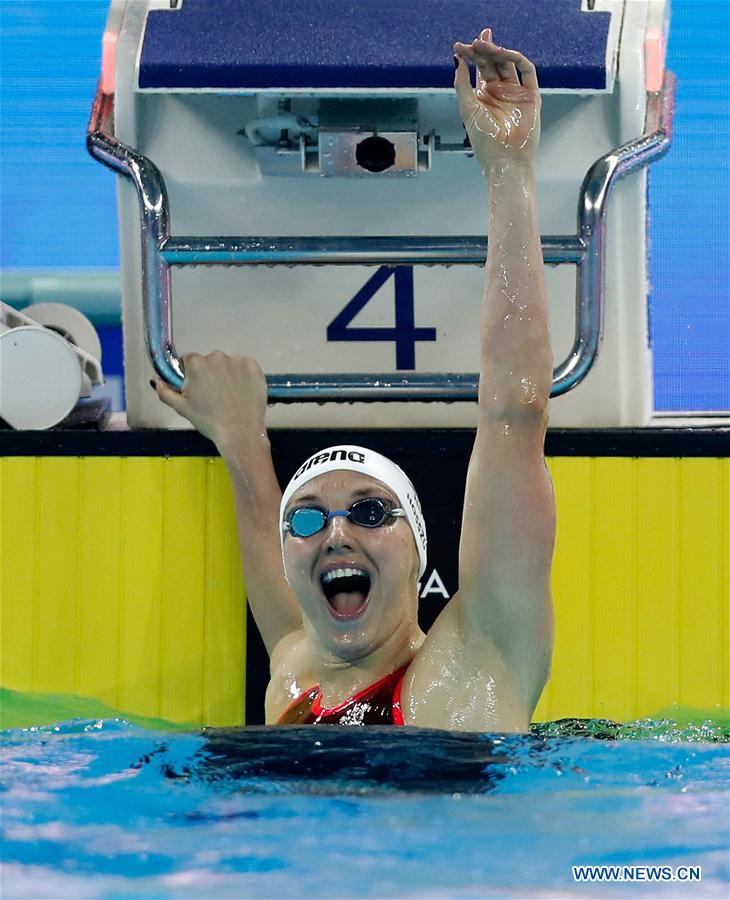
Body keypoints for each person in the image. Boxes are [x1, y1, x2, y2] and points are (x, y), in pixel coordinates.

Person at [153, 29, 555, 732]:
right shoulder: (293, 676)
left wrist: (510, 168)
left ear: (419, 550)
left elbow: (514, 416)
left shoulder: (472, 664)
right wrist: (243, 446)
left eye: (370, 512)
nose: (336, 533)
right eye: (310, 519)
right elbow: (278, 594)